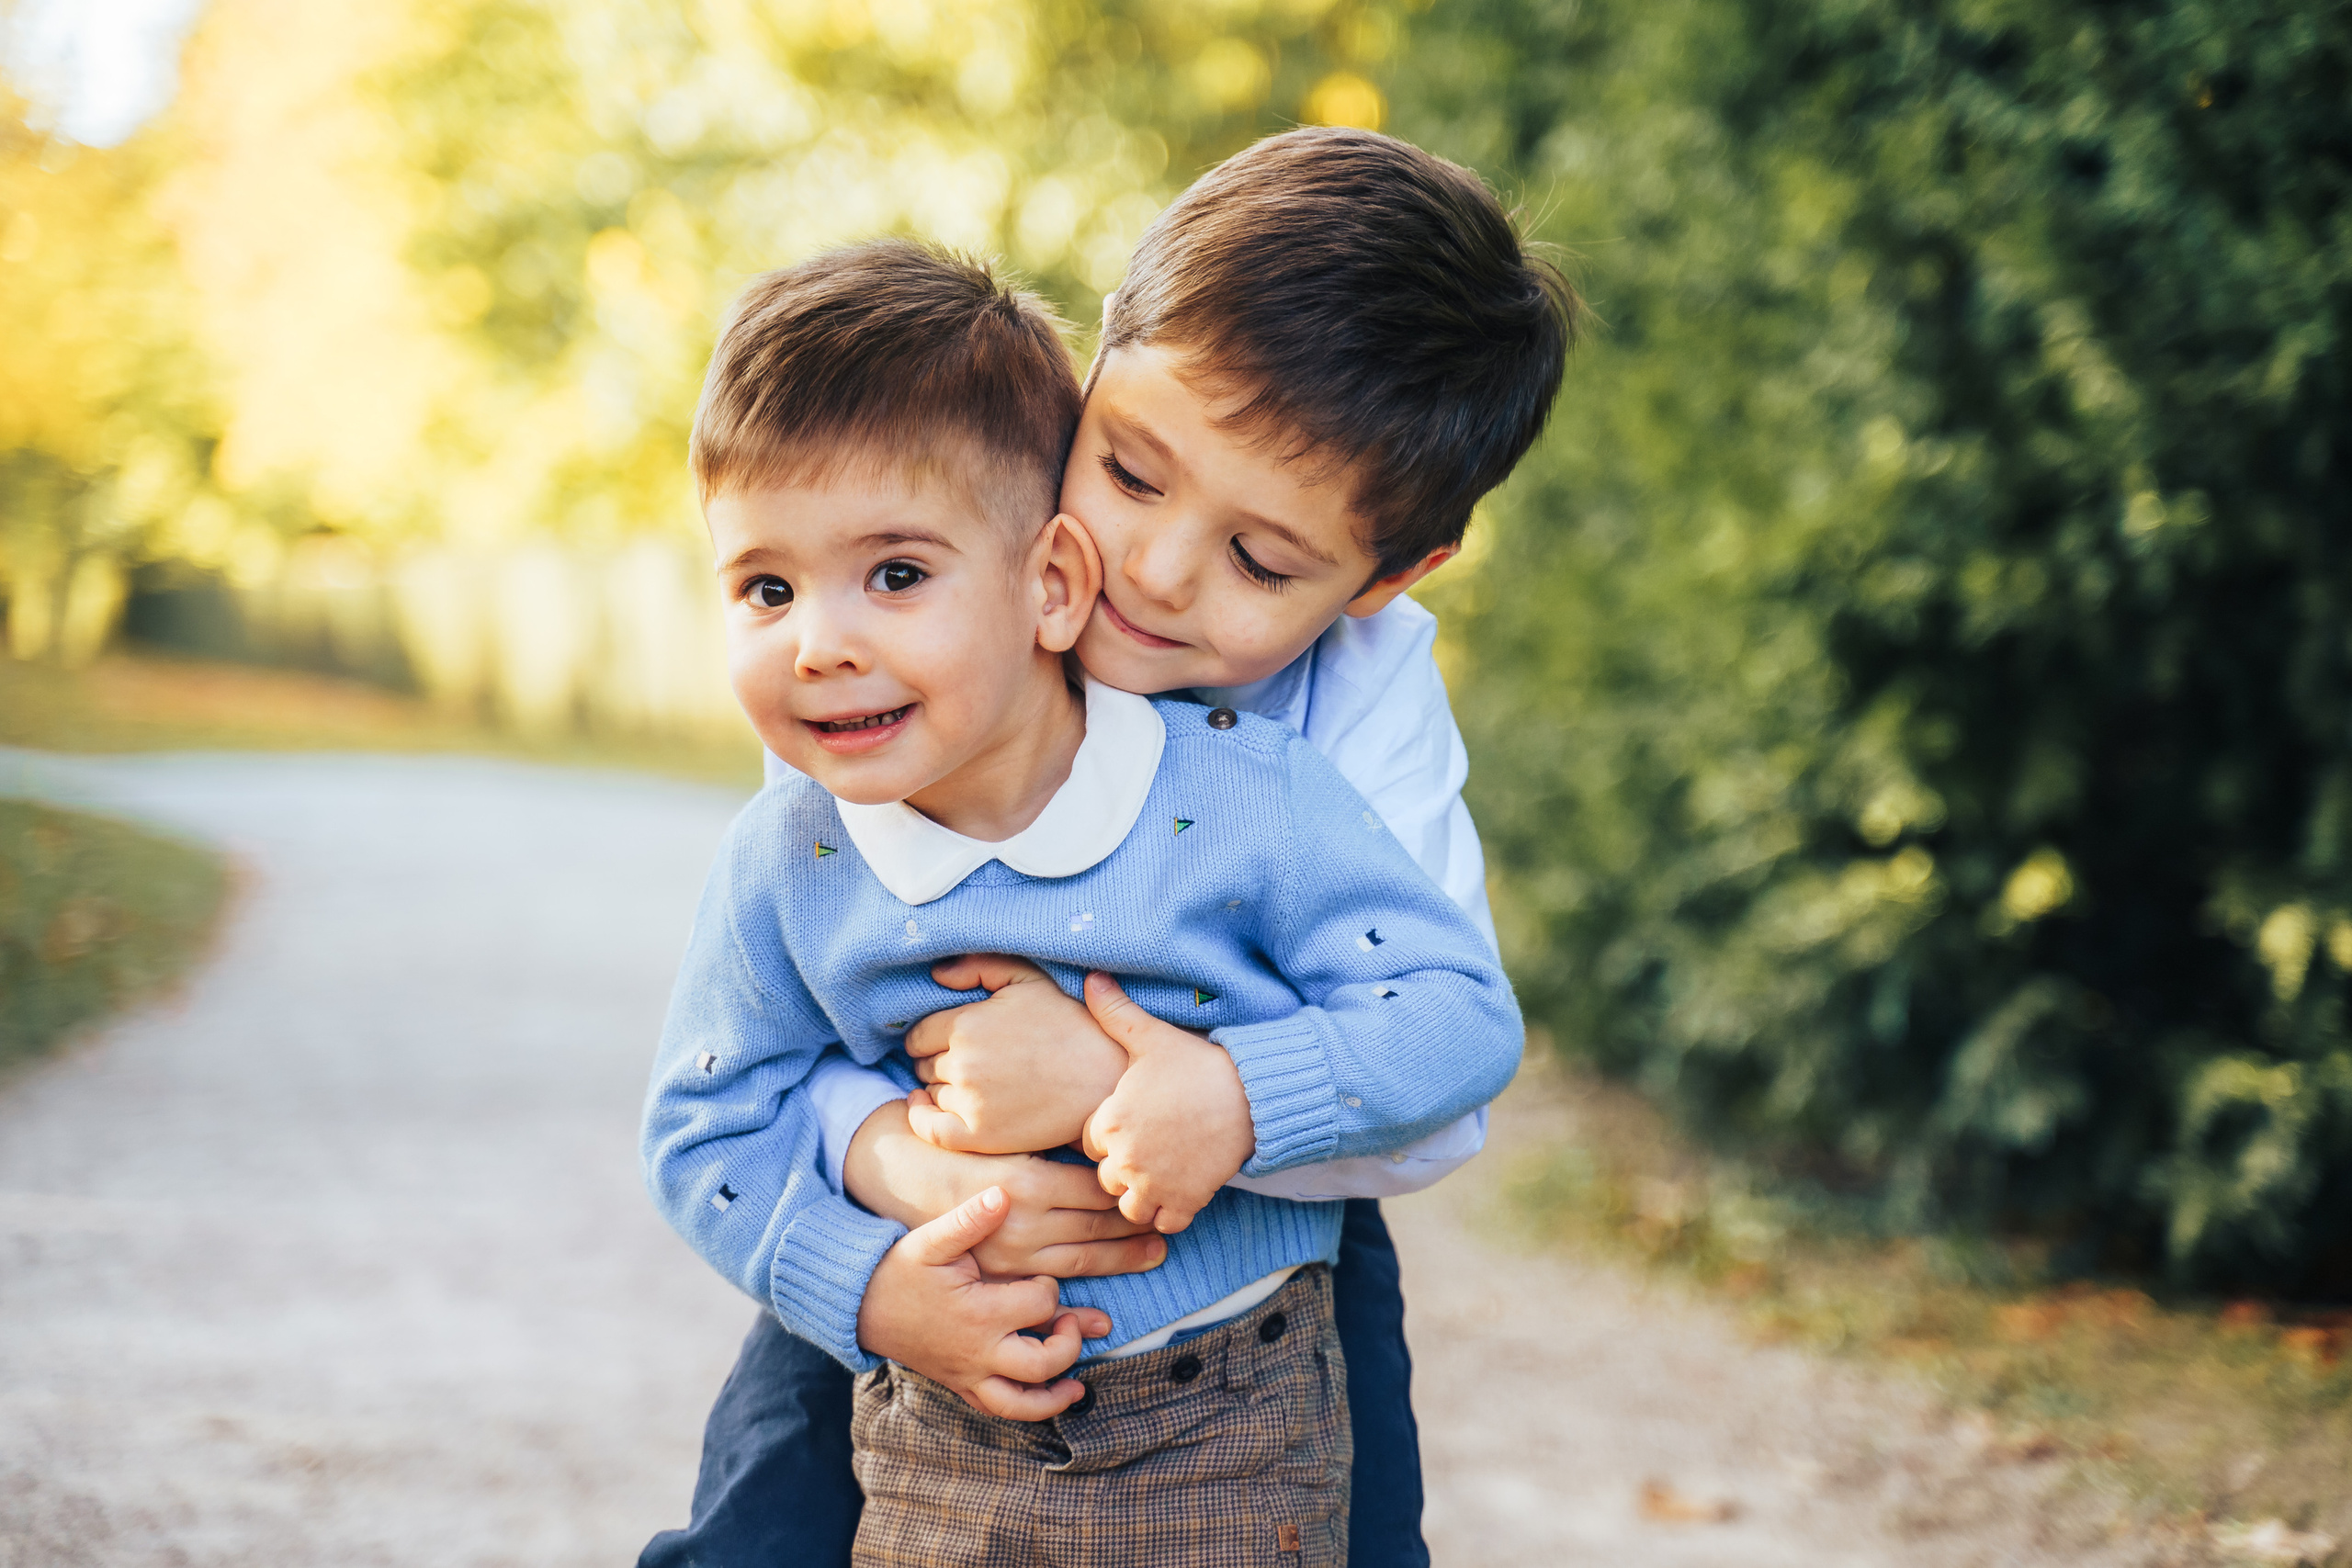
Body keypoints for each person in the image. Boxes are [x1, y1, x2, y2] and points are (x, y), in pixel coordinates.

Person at [641, 126, 1578, 1566]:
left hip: (1252, 1228)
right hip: (923, 1193)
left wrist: (1131, 1084)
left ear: (1386, 578)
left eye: (1260, 560)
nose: (1152, 569)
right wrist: (891, 1162)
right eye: (1132, 471)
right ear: (1097, 368)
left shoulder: (1355, 727)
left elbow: (1438, 1087)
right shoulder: (913, 611)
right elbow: (786, 1007)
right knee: (762, 1522)